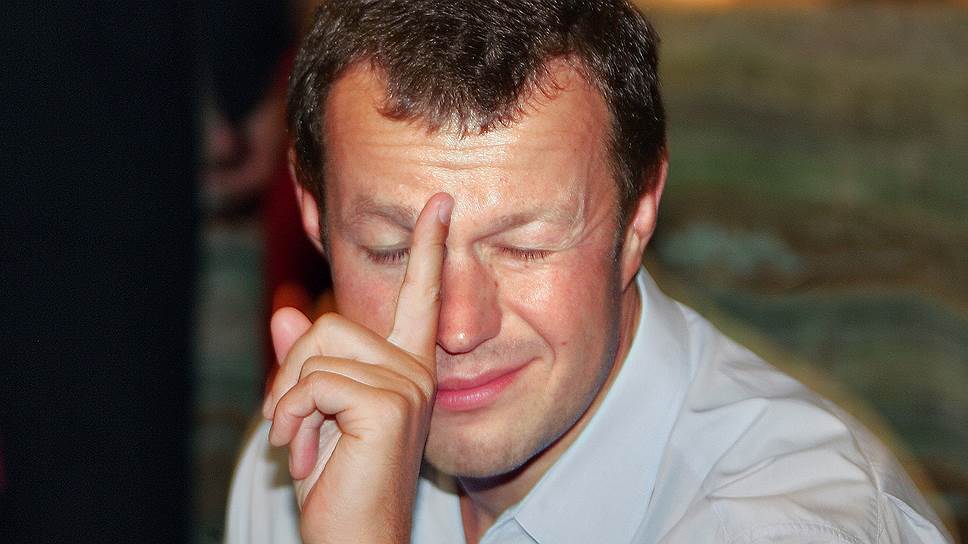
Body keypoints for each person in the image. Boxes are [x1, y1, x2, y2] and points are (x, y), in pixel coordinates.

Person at [225, 1, 953, 542]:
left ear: (639, 215)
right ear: (315, 217)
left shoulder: (789, 525)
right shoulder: (303, 454)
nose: (457, 328)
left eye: (526, 245)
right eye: (392, 250)